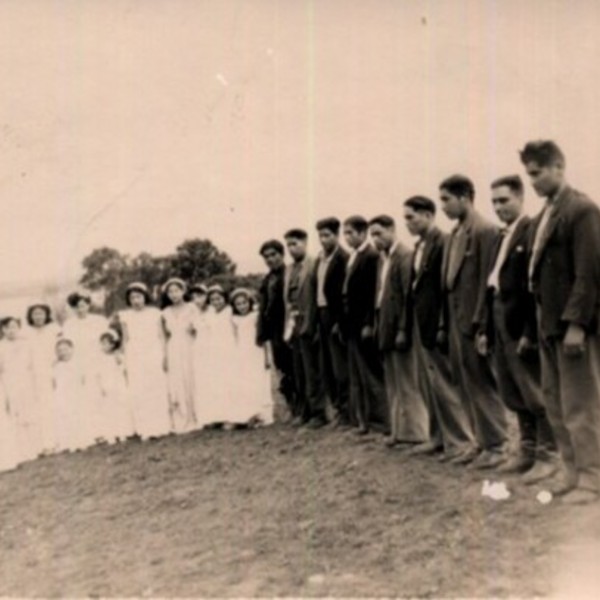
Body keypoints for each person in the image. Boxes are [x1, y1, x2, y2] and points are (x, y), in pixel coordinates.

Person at [522, 140, 600, 505]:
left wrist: (577, 325)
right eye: (529, 174)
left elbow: (589, 273)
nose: (532, 181)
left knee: (580, 404)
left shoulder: (581, 209)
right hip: (547, 324)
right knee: (555, 402)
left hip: (571, 327)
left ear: (558, 166)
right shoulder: (545, 215)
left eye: (537, 173)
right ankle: (571, 471)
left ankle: (592, 476)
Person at [479, 175, 557, 478]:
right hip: (499, 317)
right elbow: (491, 286)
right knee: (511, 389)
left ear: (520, 198)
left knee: (534, 389)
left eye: (504, 200)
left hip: (520, 320)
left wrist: (528, 332)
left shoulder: (530, 230)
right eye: (494, 202)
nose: (498, 207)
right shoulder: (501, 237)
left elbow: (531, 288)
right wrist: (485, 329)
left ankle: (547, 456)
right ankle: (526, 450)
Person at [439, 175, 508, 468]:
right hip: (456, 320)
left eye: (446, 199)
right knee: (465, 381)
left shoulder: (485, 230)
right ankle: (479, 442)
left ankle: (496, 444)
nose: (443, 206)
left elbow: (484, 282)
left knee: (481, 381)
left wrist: (481, 325)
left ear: (465, 196)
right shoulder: (455, 233)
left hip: (473, 320)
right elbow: (449, 284)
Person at [403, 196, 475, 461]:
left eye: (411, 217)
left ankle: (460, 441)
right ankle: (438, 437)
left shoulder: (442, 242)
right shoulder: (420, 245)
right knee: (429, 384)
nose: (407, 223)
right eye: (406, 218)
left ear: (428, 215)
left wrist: (444, 325)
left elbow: (446, 289)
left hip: (438, 324)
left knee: (447, 385)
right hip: (423, 324)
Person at [370, 215, 428, 448]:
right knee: (393, 381)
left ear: (392, 230)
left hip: (399, 327)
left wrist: (403, 328)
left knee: (407, 381)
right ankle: (398, 430)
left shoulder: (404, 255)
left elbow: (406, 296)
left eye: (379, 233)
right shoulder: (383, 259)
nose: (376, 239)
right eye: (372, 235)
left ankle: (416, 433)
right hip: (385, 326)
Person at [341, 215, 386, 435]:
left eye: (350, 233)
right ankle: (364, 421)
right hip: (351, 324)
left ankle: (380, 422)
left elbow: (371, 293)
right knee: (357, 374)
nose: (347, 237)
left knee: (371, 373)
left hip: (363, 324)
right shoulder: (354, 257)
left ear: (362, 233)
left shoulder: (371, 256)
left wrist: (369, 322)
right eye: (345, 233)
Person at [283, 228, 326, 428]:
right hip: (293, 323)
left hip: (310, 321)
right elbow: (288, 300)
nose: (292, 249)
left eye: (295, 244)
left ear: (305, 242)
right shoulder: (289, 269)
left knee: (312, 370)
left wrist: (313, 324)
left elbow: (316, 296)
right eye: (289, 245)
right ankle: (305, 411)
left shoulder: (314, 264)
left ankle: (319, 412)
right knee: (298, 369)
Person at [117, 282, 171, 440]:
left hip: (153, 353)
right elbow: (125, 339)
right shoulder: (125, 316)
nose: (136, 300)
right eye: (132, 297)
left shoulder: (155, 313)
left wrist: (164, 355)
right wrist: (124, 359)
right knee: (139, 390)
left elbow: (161, 336)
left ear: (145, 297)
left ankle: (160, 426)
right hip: (135, 354)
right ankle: (144, 427)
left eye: (139, 296)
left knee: (155, 387)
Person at [314, 217, 350, 426]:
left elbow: (343, 293)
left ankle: (347, 412)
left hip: (334, 314)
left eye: (327, 235)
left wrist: (339, 319)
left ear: (336, 236)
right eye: (320, 236)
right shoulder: (321, 259)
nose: (323, 240)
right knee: (326, 365)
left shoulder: (343, 258)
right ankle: (337, 408)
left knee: (340, 367)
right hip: (321, 314)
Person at [257, 240, 295, 422]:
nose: (270, 259)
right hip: (274, 331)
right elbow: (264, 307)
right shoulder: (267, 279)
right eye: (266, 257)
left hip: (288, 327)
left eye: (273, 255)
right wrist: (262, 332)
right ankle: (292, 407)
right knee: (282, 368)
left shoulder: (289, 274)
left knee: (295, 367)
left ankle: (304, 409)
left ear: (282, 254)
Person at [0, 317, 42, 463]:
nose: (11, 330)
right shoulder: (1, 346)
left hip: (26, 381)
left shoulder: (27, 344)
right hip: (10, 383)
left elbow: (33, 365)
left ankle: (36, 447)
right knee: (16, 416)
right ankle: (22, 450)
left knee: (30, 414)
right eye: (7, 328)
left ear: (18, 328)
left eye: (14, 327)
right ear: (3, 330)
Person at [230, 288, 273, 426]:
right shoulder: (234, 319)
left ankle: (264, 415)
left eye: (244, 303)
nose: (242, 306)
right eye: (239, 304)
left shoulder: (256, 316)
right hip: (243, 353)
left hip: (256, 351)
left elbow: (264, 338)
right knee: (247, 383)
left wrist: (267, 357)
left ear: (249, 302)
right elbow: (235, 338)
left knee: (260, 382)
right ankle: (251, 413)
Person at [161, 278, 199, 432]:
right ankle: (181, 418)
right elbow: (164, 335)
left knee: (191, 378)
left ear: (183, 291)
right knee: (177, 381)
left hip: (190, 345)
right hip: (174, 347)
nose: (174, 294)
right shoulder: (165, 312)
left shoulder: (192, 308)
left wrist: (194, 329)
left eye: (177, 290)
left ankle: (196, 416)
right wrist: (164, 355)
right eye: (170, 292)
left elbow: (199, 328)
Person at [25, 303, 62, 453]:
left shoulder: (54, 329)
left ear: (47, 315)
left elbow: (61, 347)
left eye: (41, 313)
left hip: (54, 368)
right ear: (30, 316)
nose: (38, 317)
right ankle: (46, 442)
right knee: (41, 407)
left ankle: (61, 439)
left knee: (56, 403)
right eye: (35, 314)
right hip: (35, 373)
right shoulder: (25, 332)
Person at [200, 284, 237, 426]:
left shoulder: (230, 311)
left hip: (228, 349)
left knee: (229, 383)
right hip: (214, 351)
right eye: (213, 299)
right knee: (216, 384)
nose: (216, 302)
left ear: (224, 298)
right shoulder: (209, 314)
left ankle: (231, 416)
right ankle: (218, 416)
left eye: (219, 298)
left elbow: (235, 331)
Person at [51, 338, 94, 452]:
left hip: (76, 392)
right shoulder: (56, 366)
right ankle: (69, 442)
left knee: (79, 415)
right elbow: (54, 382)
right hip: (63, 394)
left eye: (66, 349)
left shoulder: (78, 363)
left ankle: (82, 440)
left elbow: (83, 379)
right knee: (66, 417)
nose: (63, 352)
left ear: (72, 349)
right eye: (60, 350)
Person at [95, 330, 135, 444]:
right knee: (108, 409)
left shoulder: (117, 355)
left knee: (121, 407)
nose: (104, 346)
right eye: (102, 343)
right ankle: (110, 434)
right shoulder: (99, 358)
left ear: (113, 344)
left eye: (107, 343)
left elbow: (122, 368)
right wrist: (101, 387)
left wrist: (118, 358)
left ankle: (122, 432)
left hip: (118, 384)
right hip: (106, 385)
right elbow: (97, 374)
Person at [62, 292, 108, 380]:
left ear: (88, 305)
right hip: (77, 358)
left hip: (97, 356)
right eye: (76, 307)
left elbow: (107, 340)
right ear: (73, 308)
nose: (80, 310)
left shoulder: (100, 321)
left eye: (83, 306)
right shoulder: (68, 324)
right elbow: (67, 343)